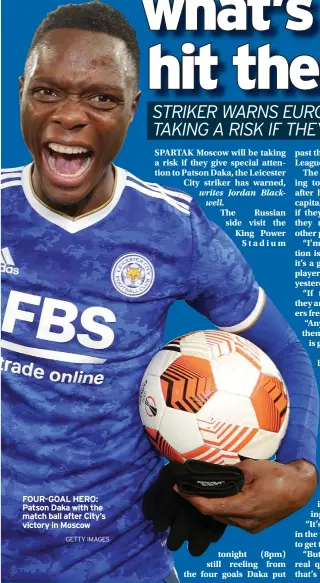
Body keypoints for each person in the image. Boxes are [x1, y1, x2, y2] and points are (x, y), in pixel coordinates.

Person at [1, 2, 318, 582]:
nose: (70, 116)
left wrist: (301, 468)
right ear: (19, 92)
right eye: (47, 91)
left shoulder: (175, 231)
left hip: (121, 564)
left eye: (101, 98)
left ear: (131, 110)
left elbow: (288, 354)